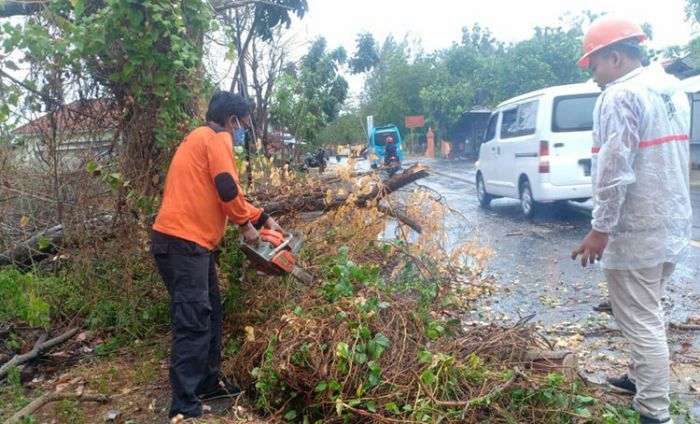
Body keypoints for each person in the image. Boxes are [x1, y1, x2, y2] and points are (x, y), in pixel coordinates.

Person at [571, 16, 691, 424]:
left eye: (594, 66)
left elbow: (614, 168)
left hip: (636, 229)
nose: (592, 77)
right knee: (648, 310)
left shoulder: (620, 96)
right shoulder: (669, 89)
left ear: (616, 57)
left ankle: (655, 413)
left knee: (641, 322)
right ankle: (639, 378)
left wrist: (600, 229)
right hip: (671, 224)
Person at [151, 91, 284, 420]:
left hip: (189, 245)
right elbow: (227, 187)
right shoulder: (217, 138)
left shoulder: (200, 138)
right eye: (243, 126)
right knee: (194, 321)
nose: (242, 134)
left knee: (210, 314)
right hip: (184, 243)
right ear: (232, 121)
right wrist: (245, 226)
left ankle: (208, 383)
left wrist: (262, 217)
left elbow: (225, 192)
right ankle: (184, 403)